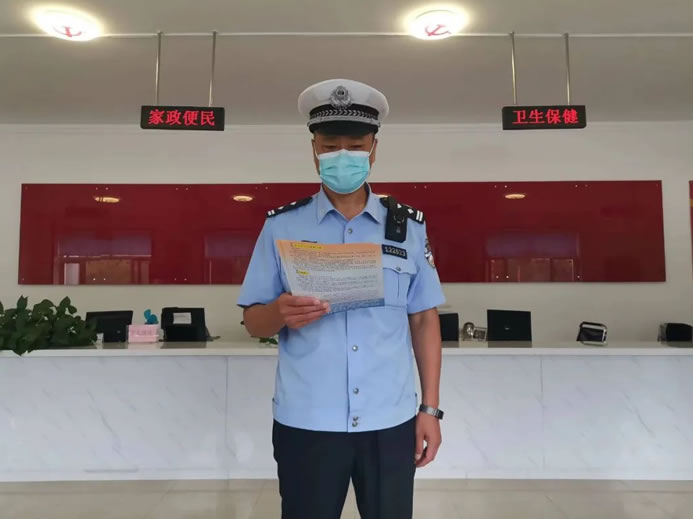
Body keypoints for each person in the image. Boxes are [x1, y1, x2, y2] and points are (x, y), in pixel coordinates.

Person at [238, 78, 445, 519]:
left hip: (389, 419)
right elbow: (253, 322)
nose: (342, 156)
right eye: (331, 146)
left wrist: (430, 409)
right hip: (307, 420)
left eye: (355, 146)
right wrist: (278, 313)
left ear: (374, 149)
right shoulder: (282, 227)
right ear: (314, 150)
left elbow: (424, 318)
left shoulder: (407, 228)